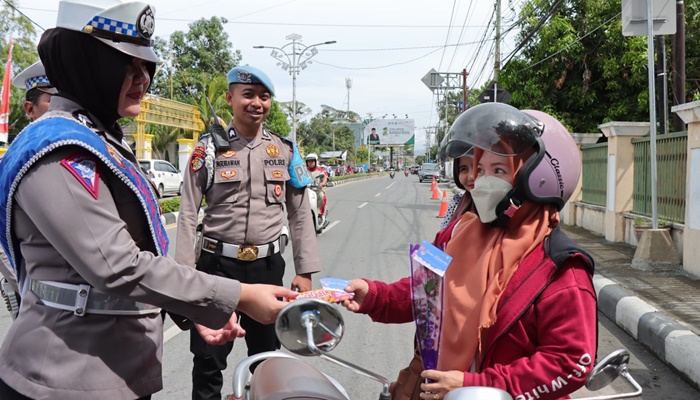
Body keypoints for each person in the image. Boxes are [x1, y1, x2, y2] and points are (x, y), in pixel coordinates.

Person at [0, 2, 298, 399]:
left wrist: (192, 310)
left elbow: (144, 248)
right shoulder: (60, 149)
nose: (143, 80)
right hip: (67, 377)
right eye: (128, 66)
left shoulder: (100, 138)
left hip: (110, 366)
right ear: (88, 65)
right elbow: (117, 264)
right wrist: (238, 295)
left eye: (146, 68)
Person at [341, 103, 597, 400]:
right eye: (478, 169)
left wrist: (478, 384)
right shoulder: (455, 233)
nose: (477, 180)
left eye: (498, 170)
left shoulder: (560, 269)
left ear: (538, 178)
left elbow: (570, 363)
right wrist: (374, 295)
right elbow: (424, 292)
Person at [175, 65, 321, 400]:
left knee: (268, 361)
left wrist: (306, 271)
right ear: (230, 98)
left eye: (264, 96)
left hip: (267, 270)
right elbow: (186, 213)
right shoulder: (207, 150)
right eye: (248, 95)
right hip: (216, 269)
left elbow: (299, 213)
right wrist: (184, 276)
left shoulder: (285, 151)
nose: (257, 103)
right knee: (208, 363)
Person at [0, 61, 58, 320]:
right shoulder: (17, 161)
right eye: (52, 100)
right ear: (30, 109)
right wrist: (23, 286)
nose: (62, 108)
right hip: (36, 298)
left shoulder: (74, 150)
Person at [438, 147, 475, 231]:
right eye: (464, 169)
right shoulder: (456, 202)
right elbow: (443, 236)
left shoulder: (505, 208)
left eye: (478, 168)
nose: (471, 177)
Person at [305, 152, 328, 219]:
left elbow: (325, 178)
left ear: (316, 161)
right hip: (307, 190)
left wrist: (322, 183)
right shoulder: (304, 170)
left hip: (317, 190)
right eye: (309, 161)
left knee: (321, 195)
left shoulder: (321, 170)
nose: (310, 163)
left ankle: (319, 213)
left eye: (312, 161)